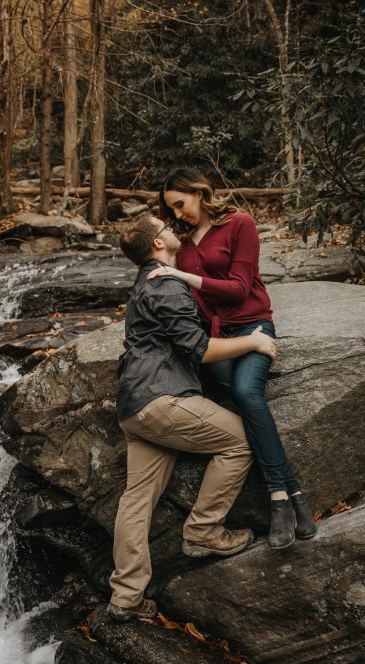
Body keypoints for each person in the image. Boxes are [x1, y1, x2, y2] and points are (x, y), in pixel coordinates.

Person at [108, 212, 279, 623]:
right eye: (165, 227)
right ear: (157, 244)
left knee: (137, 499)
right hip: (163, 398)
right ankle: (203, 531)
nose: (172, 228)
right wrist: (255, 339)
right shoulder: (167, 284)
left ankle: (126, 597)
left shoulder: (145, 283)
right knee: (241, 441)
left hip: (133, 407)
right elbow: (198, 348)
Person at [151, 167, 317, 550]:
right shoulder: (185, 244)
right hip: (217, 340)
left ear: (198, 192)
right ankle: (295, 498)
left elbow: (240, 290)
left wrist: (183, 278)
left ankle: (278, 499)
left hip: (253, 328)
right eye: (171, 210)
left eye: (180, 204)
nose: (177, 215)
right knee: (229, 392)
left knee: (246, 392)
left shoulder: (239, 224)